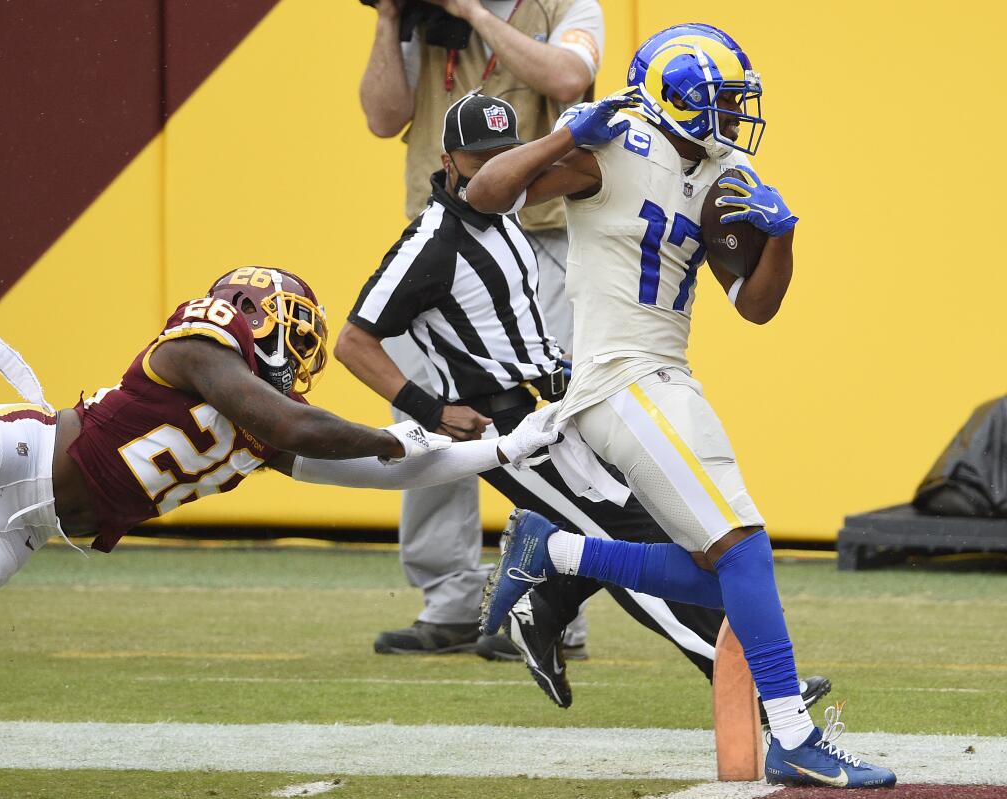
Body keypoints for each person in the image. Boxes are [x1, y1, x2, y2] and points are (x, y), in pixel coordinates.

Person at [468, 24, 895, 788]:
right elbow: (486, 192)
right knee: (747, 547)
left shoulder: (723, 169)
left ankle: (556, 549)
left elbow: (754, 306)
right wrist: (561, 134)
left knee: (725, 571)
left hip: (665, 373)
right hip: (616, 377)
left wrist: (784, 239)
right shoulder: (617, 141)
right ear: (675, 101)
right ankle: (793, 734)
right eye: (722, 103)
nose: (736, 117)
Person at [0, 264, 561, 693]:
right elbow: (308, 429)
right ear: (254, 310)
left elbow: (376, 473)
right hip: (11, 454)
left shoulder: (257, 424)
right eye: (293, 325)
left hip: (17, 531)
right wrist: (395, 435)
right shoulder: (199, 350)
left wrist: (502, 450)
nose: (301, 348)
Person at [335, 92, 830, 714]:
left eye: (505, 151)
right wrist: (429, 410)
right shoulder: (433, 240)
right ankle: (750, 687)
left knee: (643, 525)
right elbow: (354, 341)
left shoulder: (506, 226)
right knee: (631, 533)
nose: (496, 164)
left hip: (551, 407)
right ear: (446, 160)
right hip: (502, 425)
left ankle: (543, 607)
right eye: (478, 156)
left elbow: (512, 325)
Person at [359, 0, 604, 659]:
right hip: (438, 238)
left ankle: (552, 605)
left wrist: (474, 13)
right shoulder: (420, 13)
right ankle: (450, 600)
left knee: (544, 422)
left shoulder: (564, 4)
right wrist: (389, 19)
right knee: (428, 419)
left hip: (537, 235)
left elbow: (567, 79)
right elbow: (382, 116)